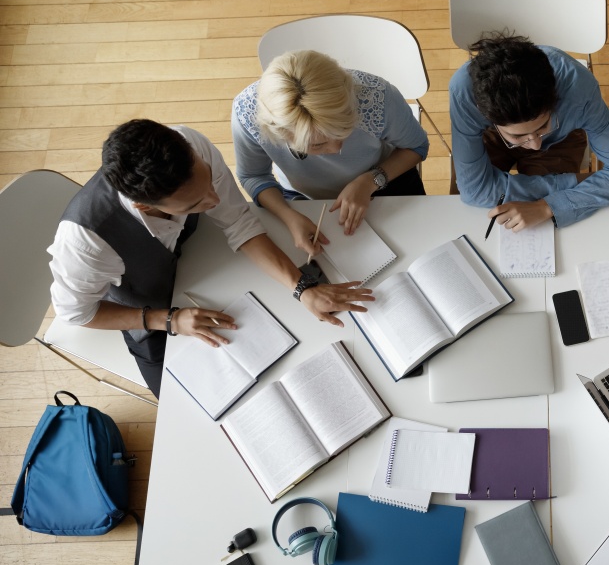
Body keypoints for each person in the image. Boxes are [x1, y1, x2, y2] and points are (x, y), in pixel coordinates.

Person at [48, 120, 374, 397]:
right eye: (194, 204)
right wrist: (167, 320)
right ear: (144, 207)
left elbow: (237, 221)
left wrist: (303, 287)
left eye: (208, 182)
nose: (215, 199)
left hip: (199, 257)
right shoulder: (85, 243)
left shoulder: (190, 143)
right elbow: (76, 314)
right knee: (195, 400)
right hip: (148, 306)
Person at [232, 49, 430, 253]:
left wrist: (370, 180)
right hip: (302, 198)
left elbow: (416, 146)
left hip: (387, 178)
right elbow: (253, 175)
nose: (337, 149)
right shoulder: (248, 116)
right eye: (316, 145)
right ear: (280, 134)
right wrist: (288, 217)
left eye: (345, 129)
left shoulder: (378, 98)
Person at [449, 32, 609, 230]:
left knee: (551, 226)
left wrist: (547, 206)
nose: (535, 145)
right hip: (489, 138)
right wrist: (576, 183)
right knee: (465, 210)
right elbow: (473, 192)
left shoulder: (580, 89)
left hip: (559, 141)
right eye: (518, 135)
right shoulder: (463, 93)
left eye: (542, 126)